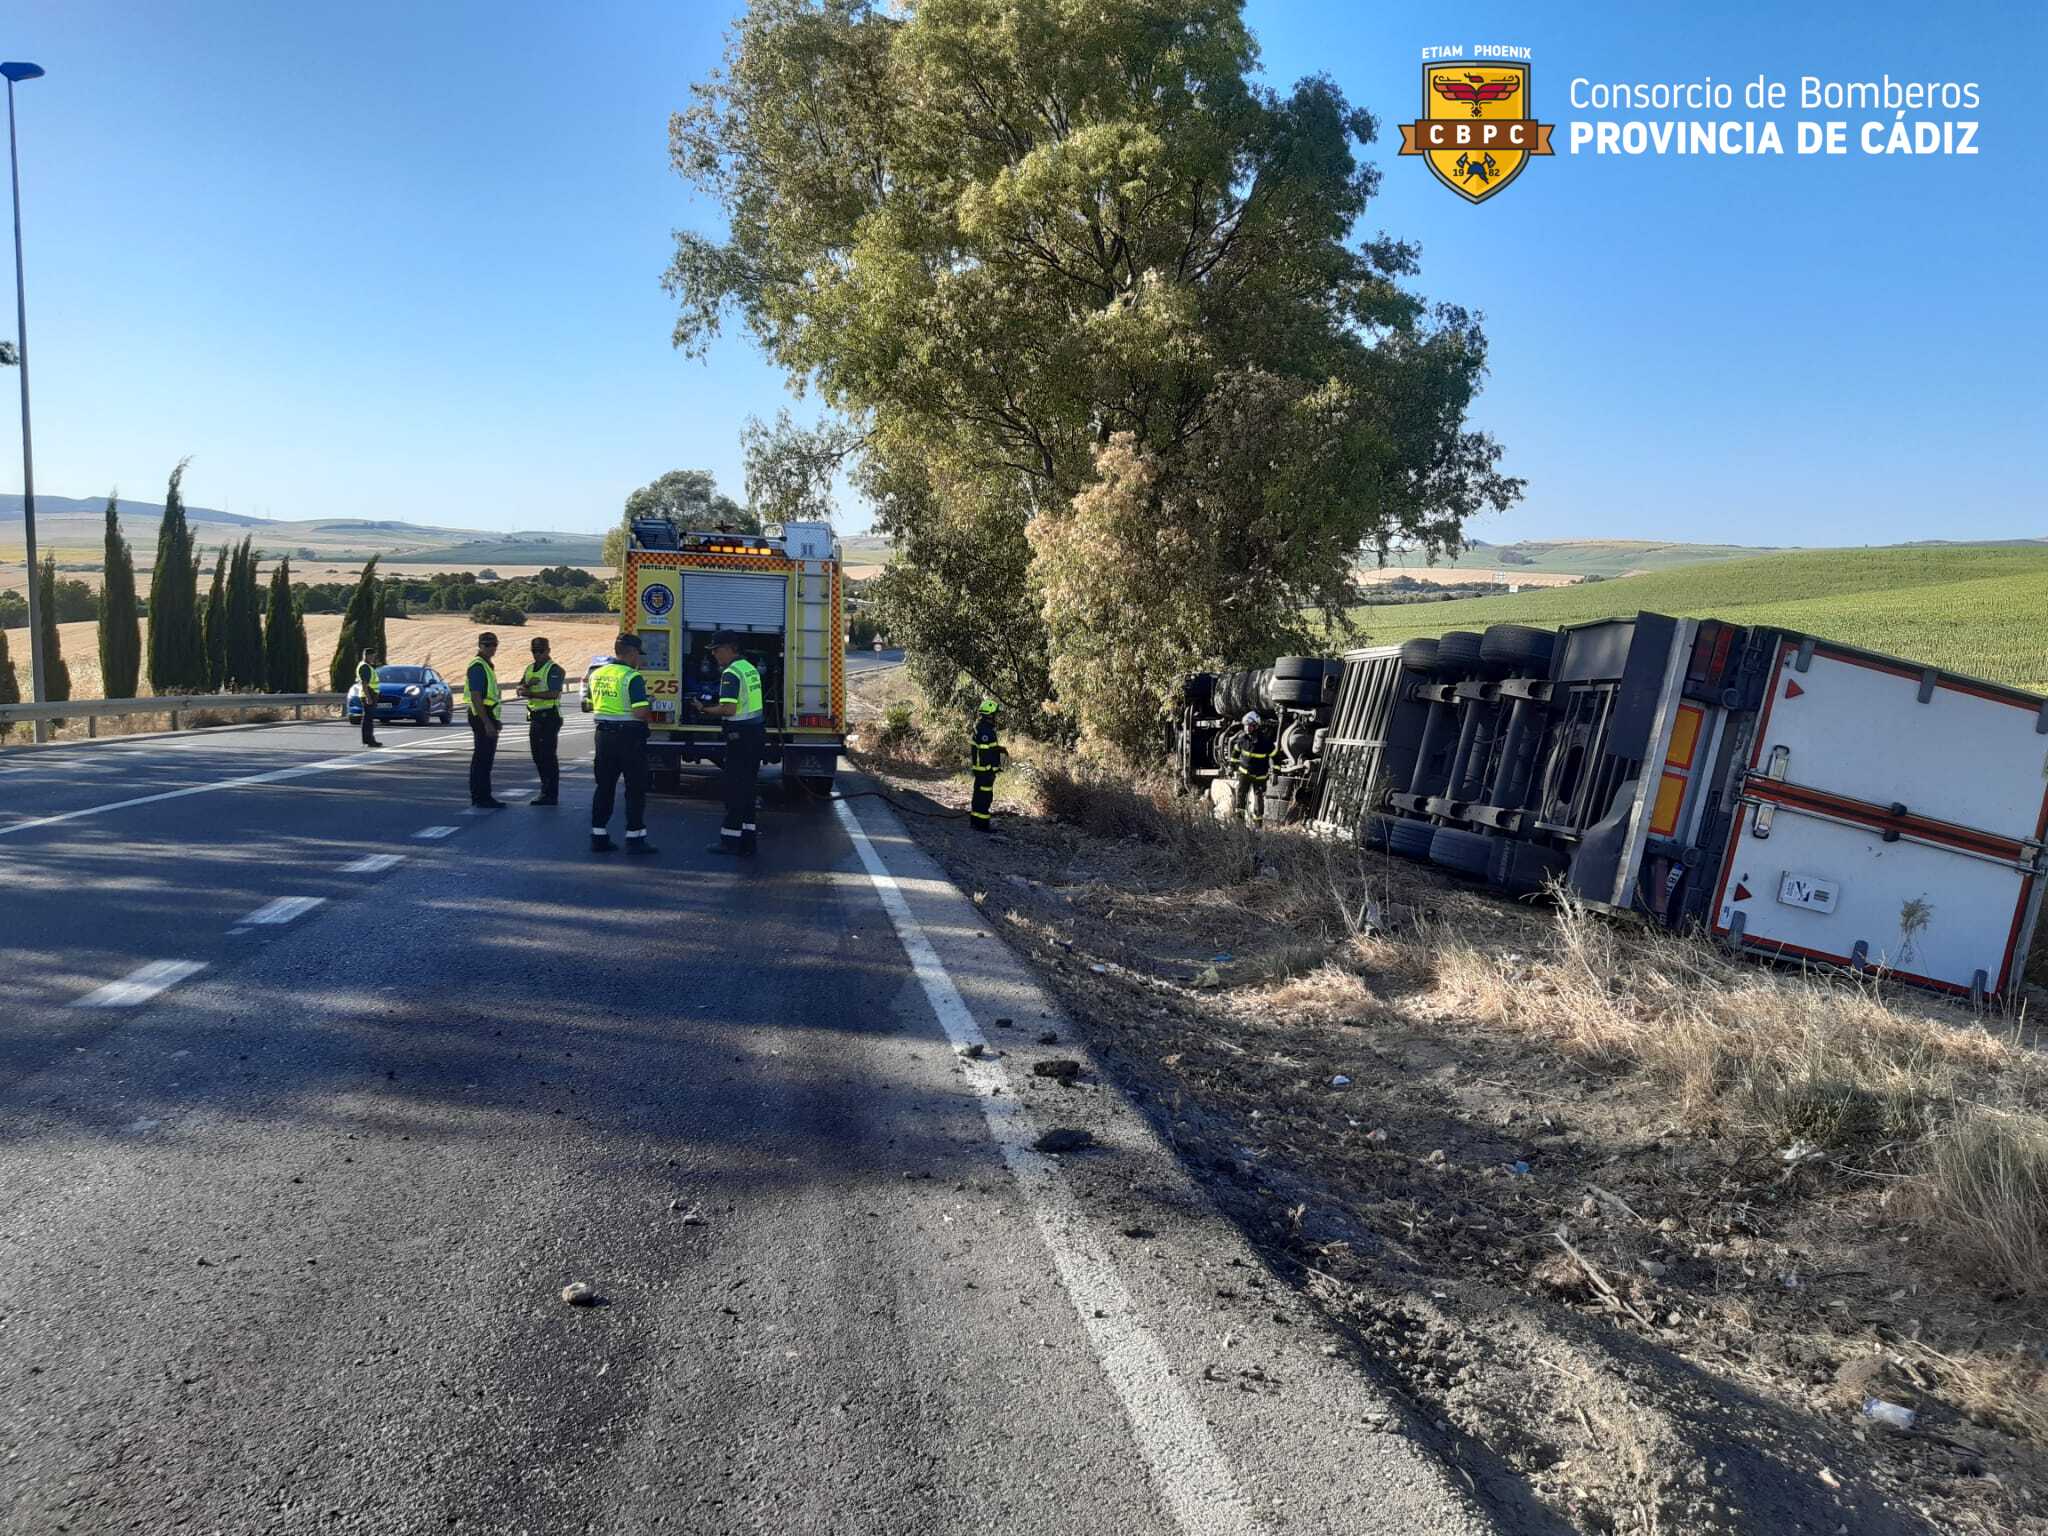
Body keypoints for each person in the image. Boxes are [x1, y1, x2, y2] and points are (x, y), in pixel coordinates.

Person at [692, 632, 763, 856]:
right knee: (748, 787)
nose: (713, 654)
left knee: (734, 789)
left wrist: (704, 709)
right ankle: (748, 838)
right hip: (754, 734)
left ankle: (729, 840)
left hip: (739, 737)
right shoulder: (749, 668)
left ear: (730, 648)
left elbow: (728, 709)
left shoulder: (731, 673)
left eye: (716, 649)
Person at [588, 633, 658, 855]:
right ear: (633, 653)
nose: (640, 660)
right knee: (635, 788)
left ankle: (598, 835)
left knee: (604, 786)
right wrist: (649, 704)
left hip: (603, 737)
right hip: (629, 738)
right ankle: (635, 837)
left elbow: (592, 703)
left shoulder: (597, 674)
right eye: (639, 655)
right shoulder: (632, 677)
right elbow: (639, 711)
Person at [518, 636, 565, 806]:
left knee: (547, 756)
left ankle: (550, 793)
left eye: (540, 651)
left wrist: (530, 693)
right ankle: (545, 789)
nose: (537, 654)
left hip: (550, 716)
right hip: (535, 716)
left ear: (548, 651)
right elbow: (520, 688)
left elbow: (554, 693)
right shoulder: (530, 668)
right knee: (537, 756)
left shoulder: (555, 669)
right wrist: (528, 686)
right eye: (534, 651)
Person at [466, 632, 504, 809]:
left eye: (494, 645)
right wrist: (488, 722)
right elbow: (476, 696)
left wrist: (494, 720)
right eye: (487, 645)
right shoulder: (478, 666)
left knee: (485, 758)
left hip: (488, 714)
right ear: (480, 646)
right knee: (482, 758)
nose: (491, 648)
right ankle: (481, 797)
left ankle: (483, 795)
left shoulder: (486, 665)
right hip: (481, 715)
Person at [969, 697, 1004, 832]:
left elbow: (987, 748)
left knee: (978, 796)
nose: (996, 717)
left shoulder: (982, 728)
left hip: (981, 771)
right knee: (985, 797)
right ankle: (982, 825)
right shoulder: (986, 731)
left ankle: (975, 822)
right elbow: (984, 753)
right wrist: (990, 770)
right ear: (989, 714)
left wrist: (1000, 749)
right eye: (995, 714)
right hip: (985, 772)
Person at [1235, 709, 1273, 827]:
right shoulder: (1242, 739)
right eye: (1245, 726)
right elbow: (1235, 754)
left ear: (1256, 726)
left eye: (1249, 726)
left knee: (1258, 799)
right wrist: (1232, 766)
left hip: (1259, 775)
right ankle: (1239, 824)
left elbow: (1275, 756)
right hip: (1244, 774)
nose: (1247, 728)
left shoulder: (1265, 742)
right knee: (1240, 796)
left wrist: (1275, 772)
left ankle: (1258, 826)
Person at [355, 647, 383, 748]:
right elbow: (364, 683)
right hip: (369, 693)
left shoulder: (367, 666)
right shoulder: (365, 667)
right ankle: (369, 740)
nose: (373, 658)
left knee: (368, 718)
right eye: (372, 656)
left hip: (370, 693)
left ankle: (367, 740)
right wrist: (368, 697)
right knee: (368, 719)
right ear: (366, 656)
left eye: (374, 656)